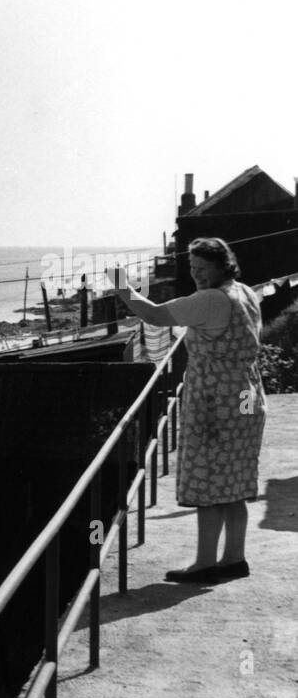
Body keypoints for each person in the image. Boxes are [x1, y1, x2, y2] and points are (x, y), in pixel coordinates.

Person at [116, 237, 266, 583]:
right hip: (247, 397)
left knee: (208, 483)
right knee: (235, 481)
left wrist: (122, 287)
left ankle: (204, 564)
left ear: (221, 266)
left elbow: (153, 314)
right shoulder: (244, 292)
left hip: (215, 402)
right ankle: (234, 559)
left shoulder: (210, 300)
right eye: (193, 268)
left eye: (203, 268)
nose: (196, 274)